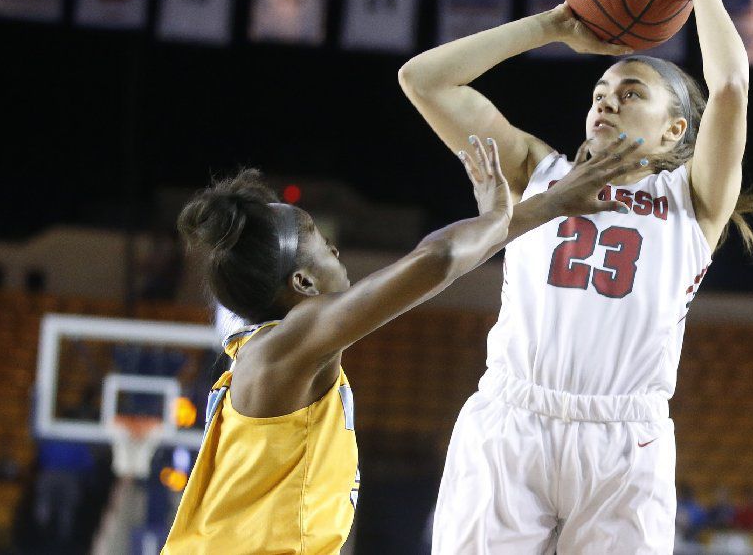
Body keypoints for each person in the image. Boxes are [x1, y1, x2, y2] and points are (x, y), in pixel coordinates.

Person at [399, 0, 753, 553]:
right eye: (599, 89)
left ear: (676, 132)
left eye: (630, 91)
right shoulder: (535, 171)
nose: (605, 99)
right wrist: (552, 26)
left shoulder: (694, 201)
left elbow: (730, 85)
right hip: (512, 421)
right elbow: (424, 79)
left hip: (626, 440)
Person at [161, 139, 643, 554]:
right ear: (303, 281)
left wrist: (551, 205)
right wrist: (502, 212)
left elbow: (430, 267)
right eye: (315, 237)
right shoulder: (288, 344)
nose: (331, 245)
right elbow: (438, 258)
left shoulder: (270, 352)